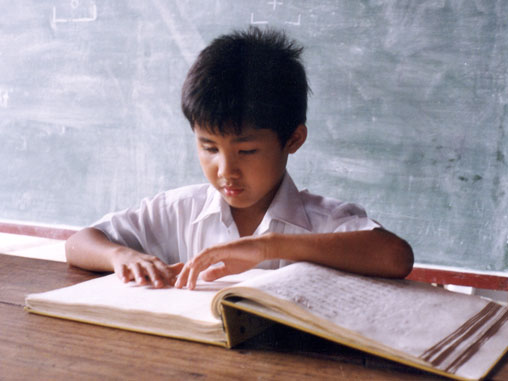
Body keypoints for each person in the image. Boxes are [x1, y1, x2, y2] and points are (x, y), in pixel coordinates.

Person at [65, 27, 413, 290]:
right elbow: (79, 243)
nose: (226, 171)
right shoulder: (179, 211)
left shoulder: (322, 220)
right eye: (209, 148)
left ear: (293, 139)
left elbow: (396, 256)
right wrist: (119, 255)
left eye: (246, 151)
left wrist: (267, 247)